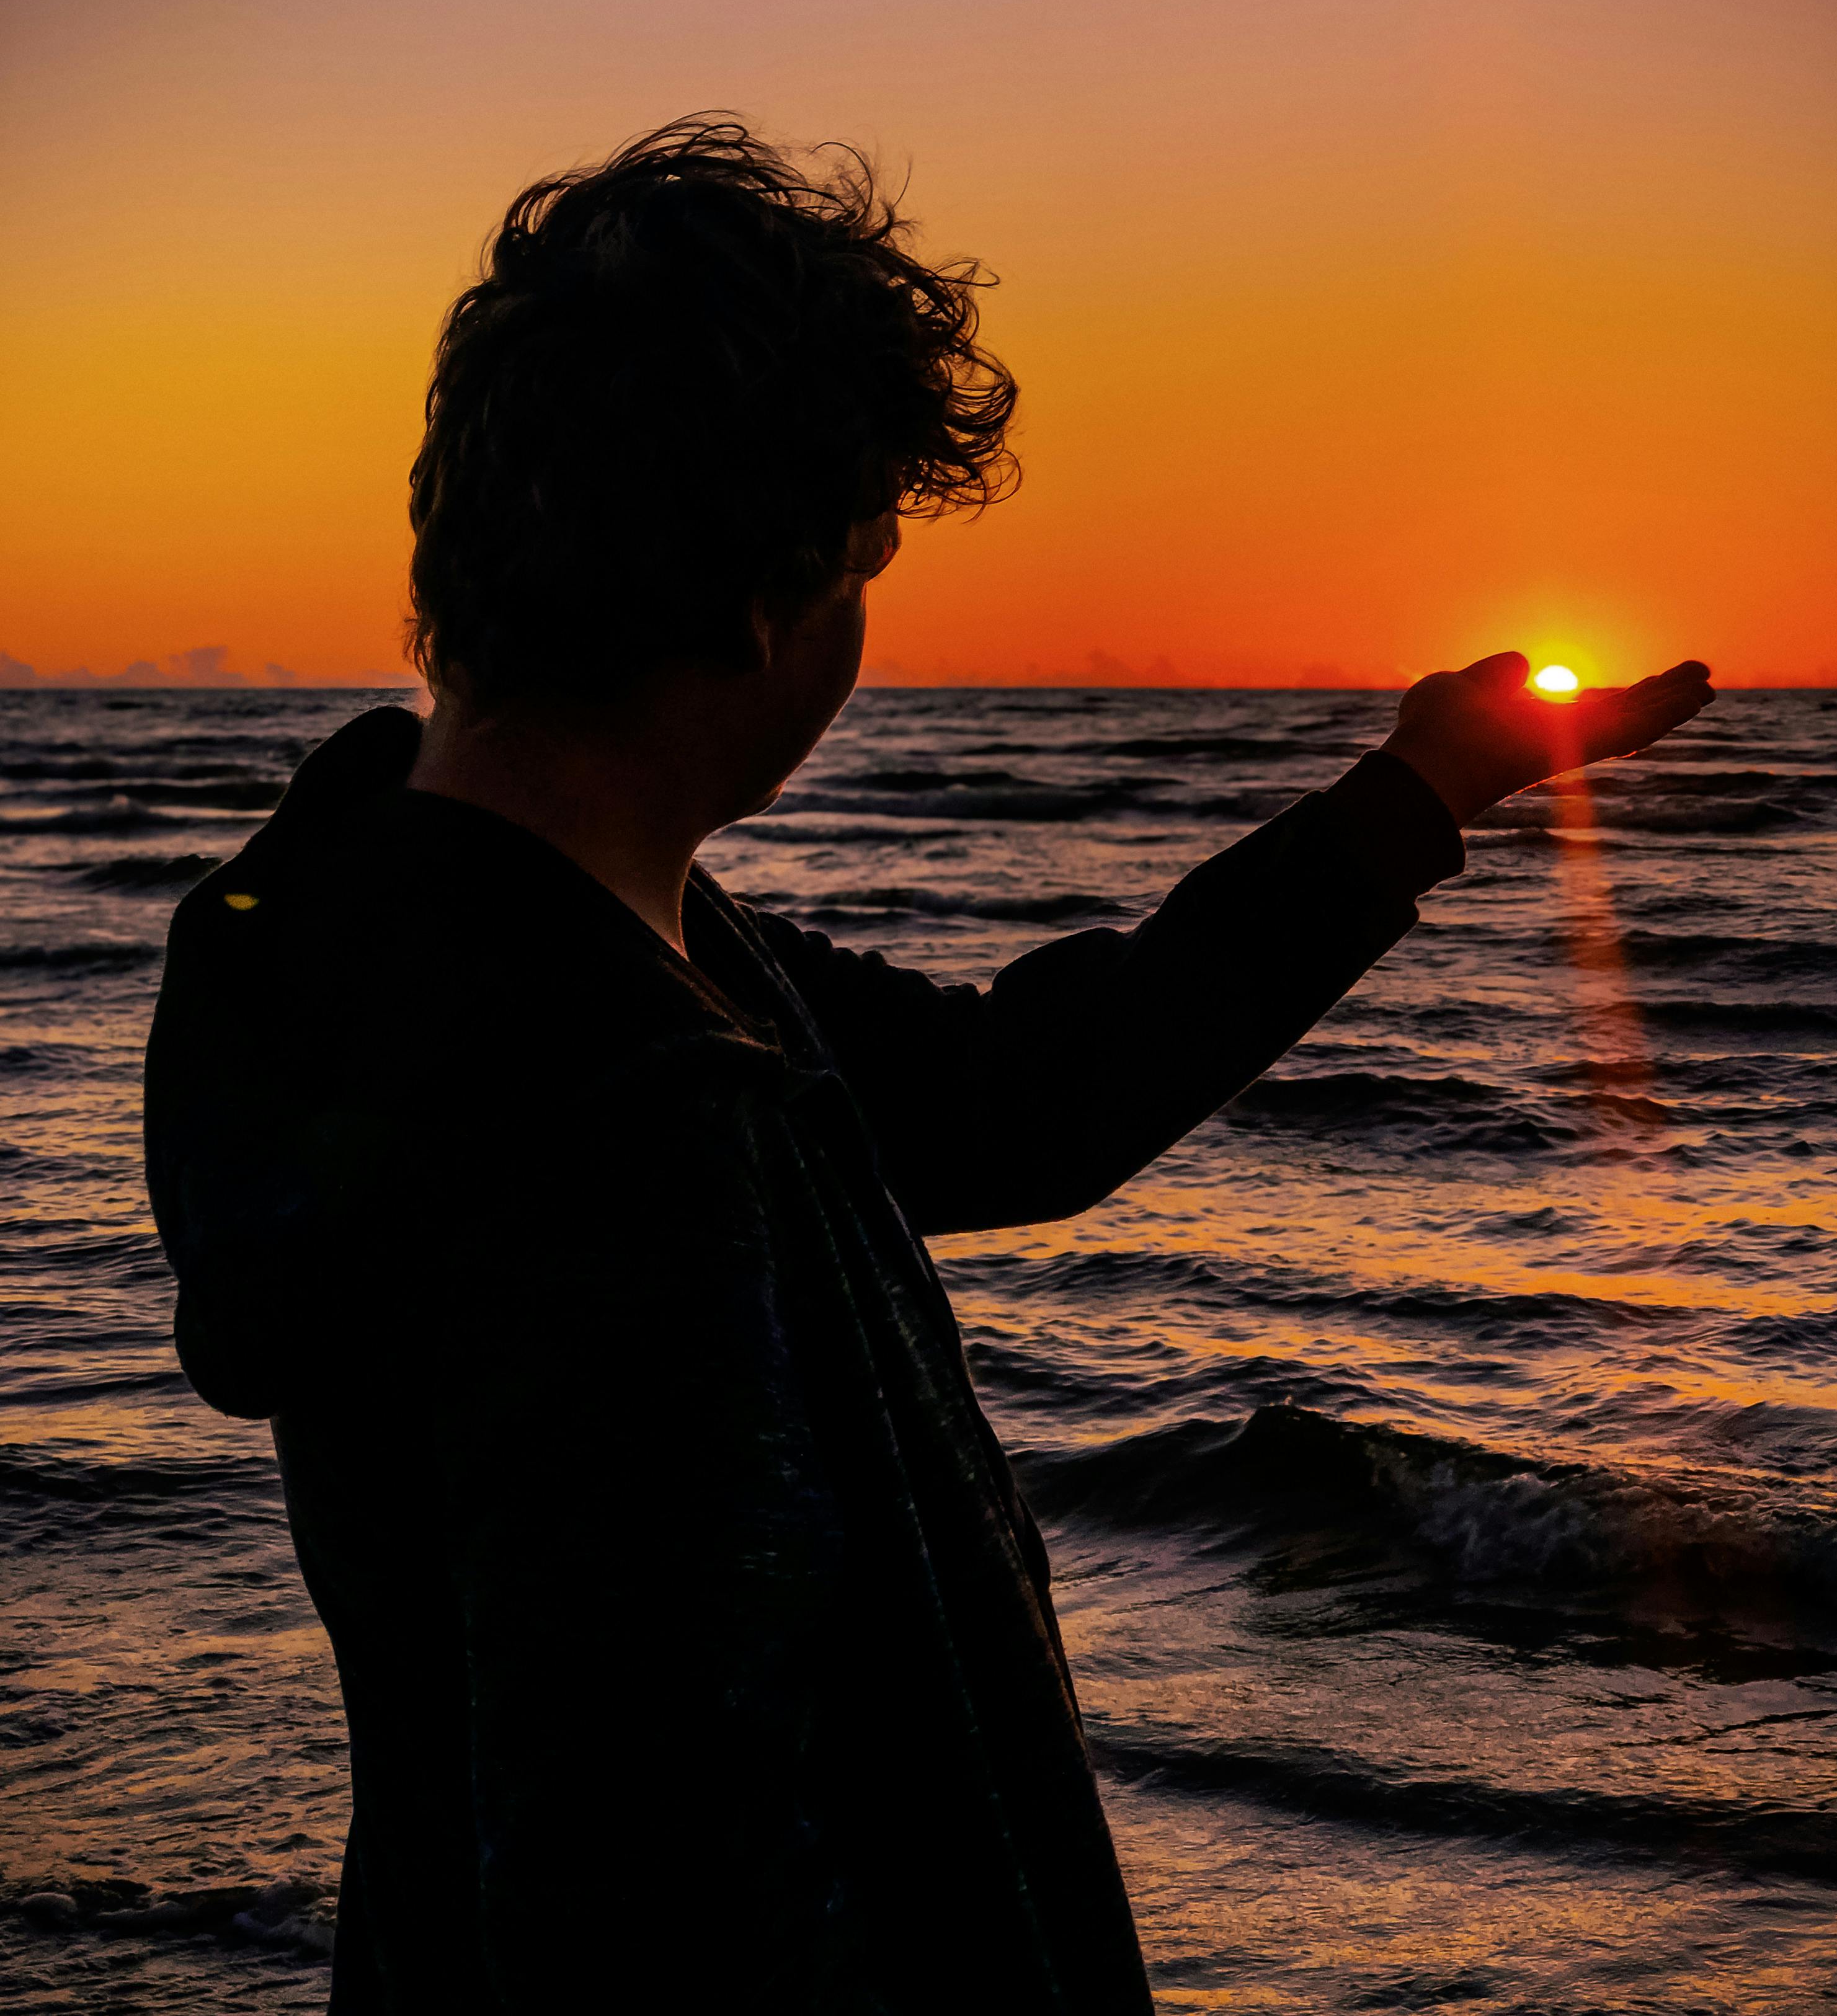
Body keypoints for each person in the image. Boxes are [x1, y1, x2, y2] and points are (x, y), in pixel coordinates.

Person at [144, 118, 1713, 2013]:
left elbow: (1014, 1106)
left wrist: (1423, 791)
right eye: (869, 559)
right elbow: (655, 1864)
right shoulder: (617, 1123)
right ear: (760, 595)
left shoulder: (471, 942)